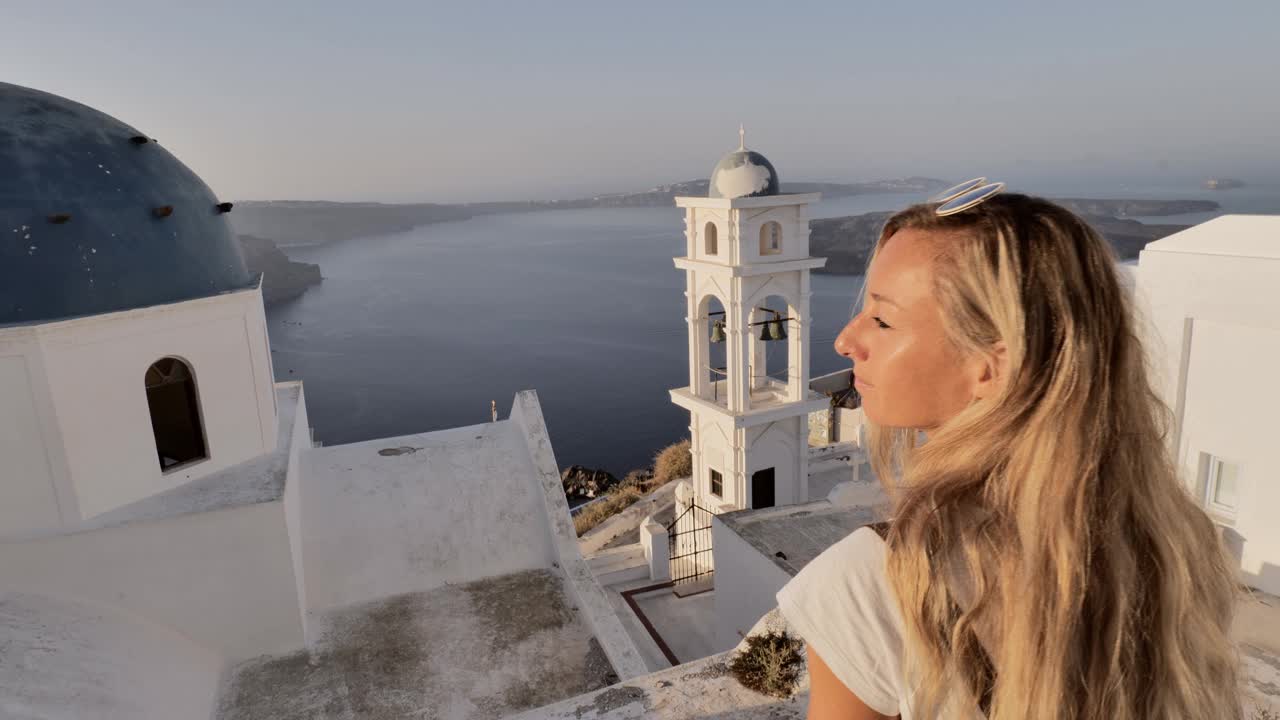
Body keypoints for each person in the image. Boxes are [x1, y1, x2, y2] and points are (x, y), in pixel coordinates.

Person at [775, 187, 1243, 719]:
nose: (845, 340)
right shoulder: (1176, 551)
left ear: (990, 366)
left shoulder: (876, 583)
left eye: (882, 320)